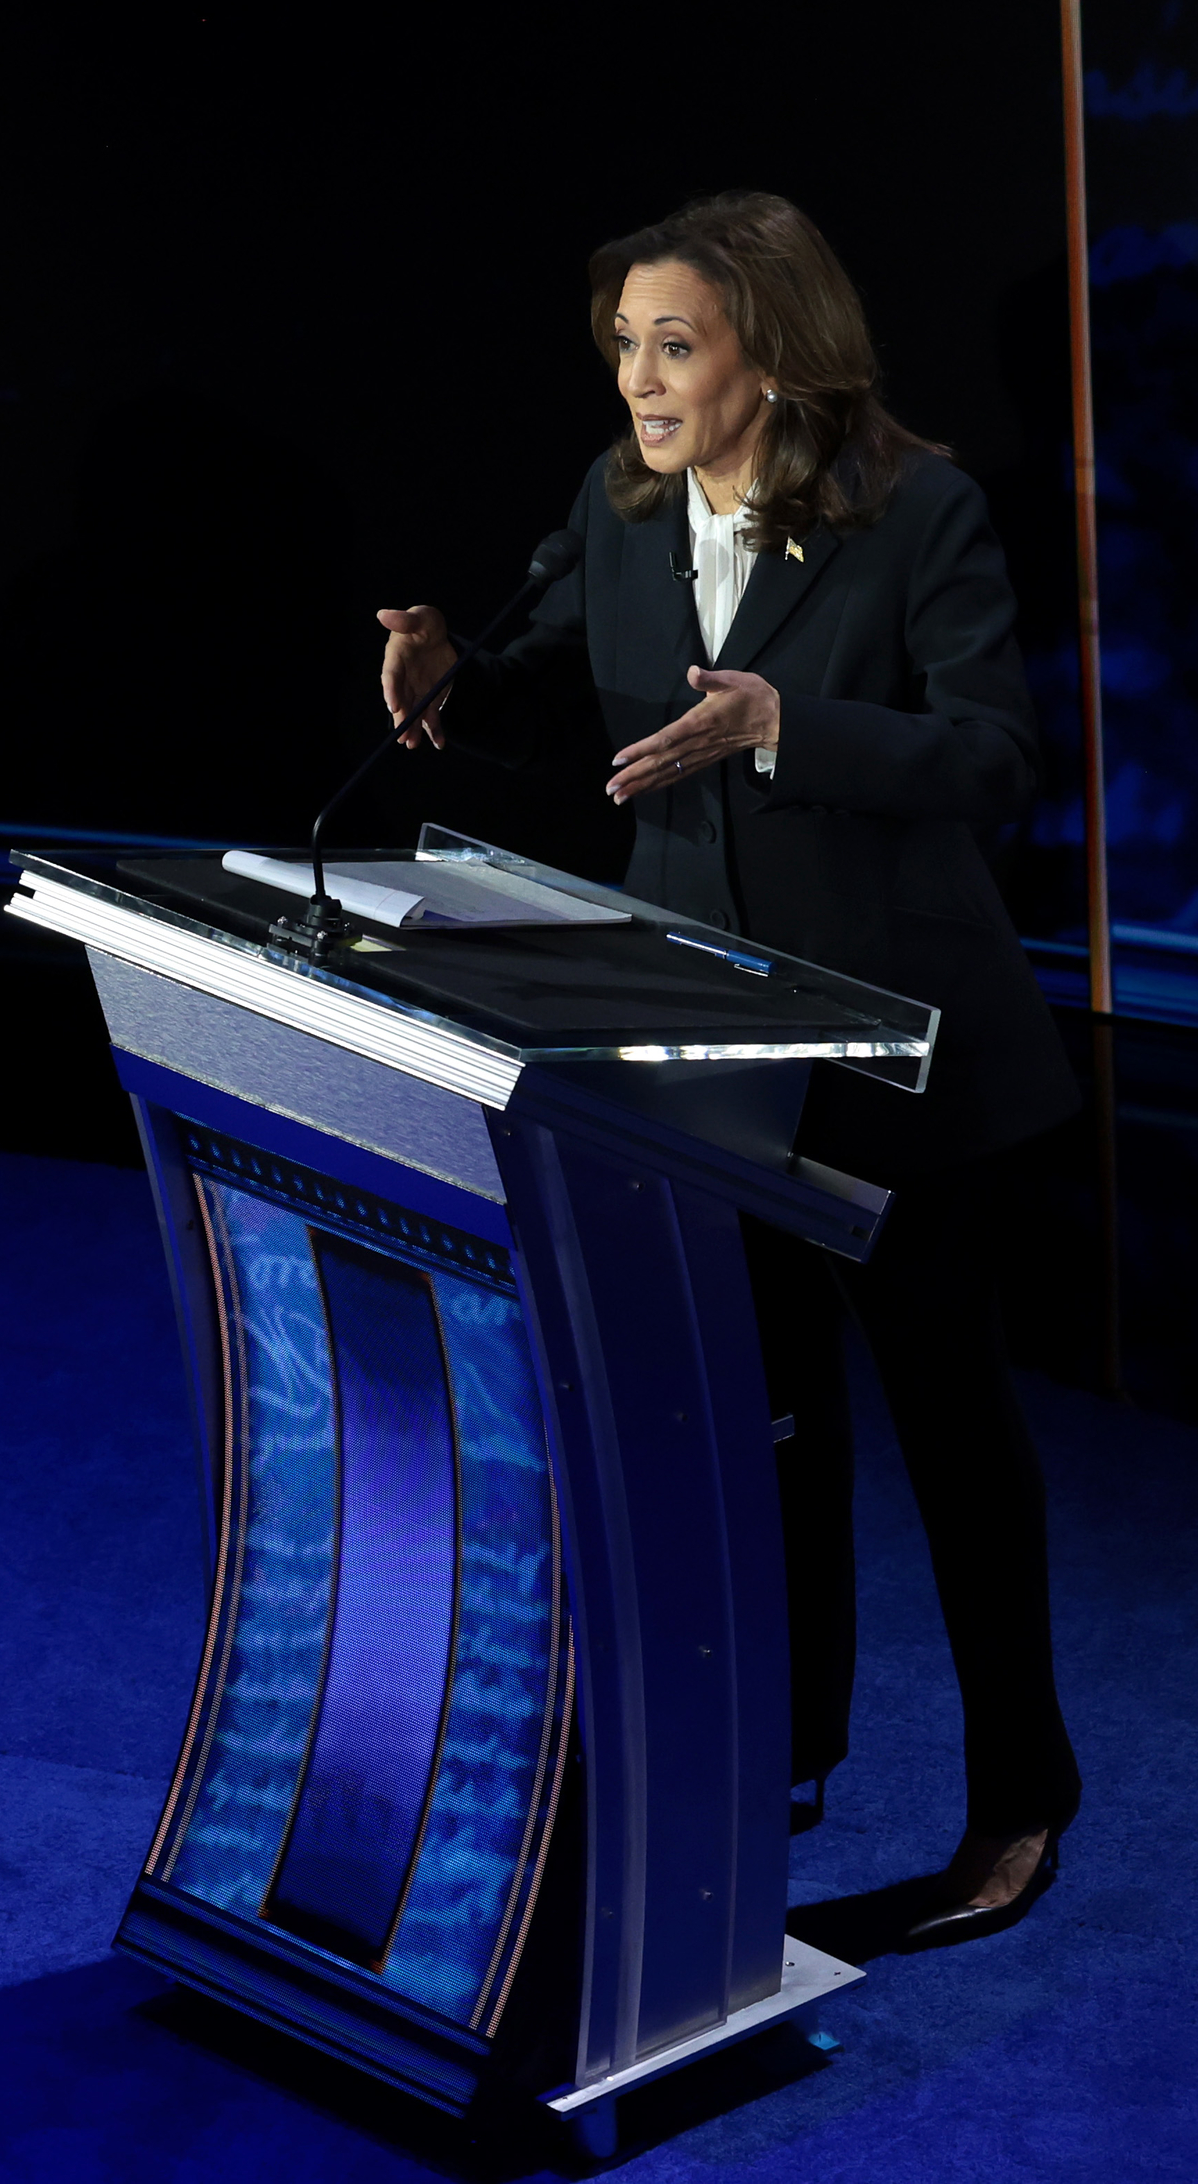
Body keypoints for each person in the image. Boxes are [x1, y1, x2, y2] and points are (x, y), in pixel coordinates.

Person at [377, 190, 1081, 1943]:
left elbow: (1000, 759)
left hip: (903, 1059)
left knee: (950, 1433)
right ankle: (787, 1742)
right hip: (710, 1053)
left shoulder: (918, 511)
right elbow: (560, 699)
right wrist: (452, 686)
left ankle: (1020, 1804)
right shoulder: (617, 512)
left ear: (774, 346)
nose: (636, 376)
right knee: (761, 1422)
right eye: (623, 342)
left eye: (671, 342)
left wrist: (792, 727)